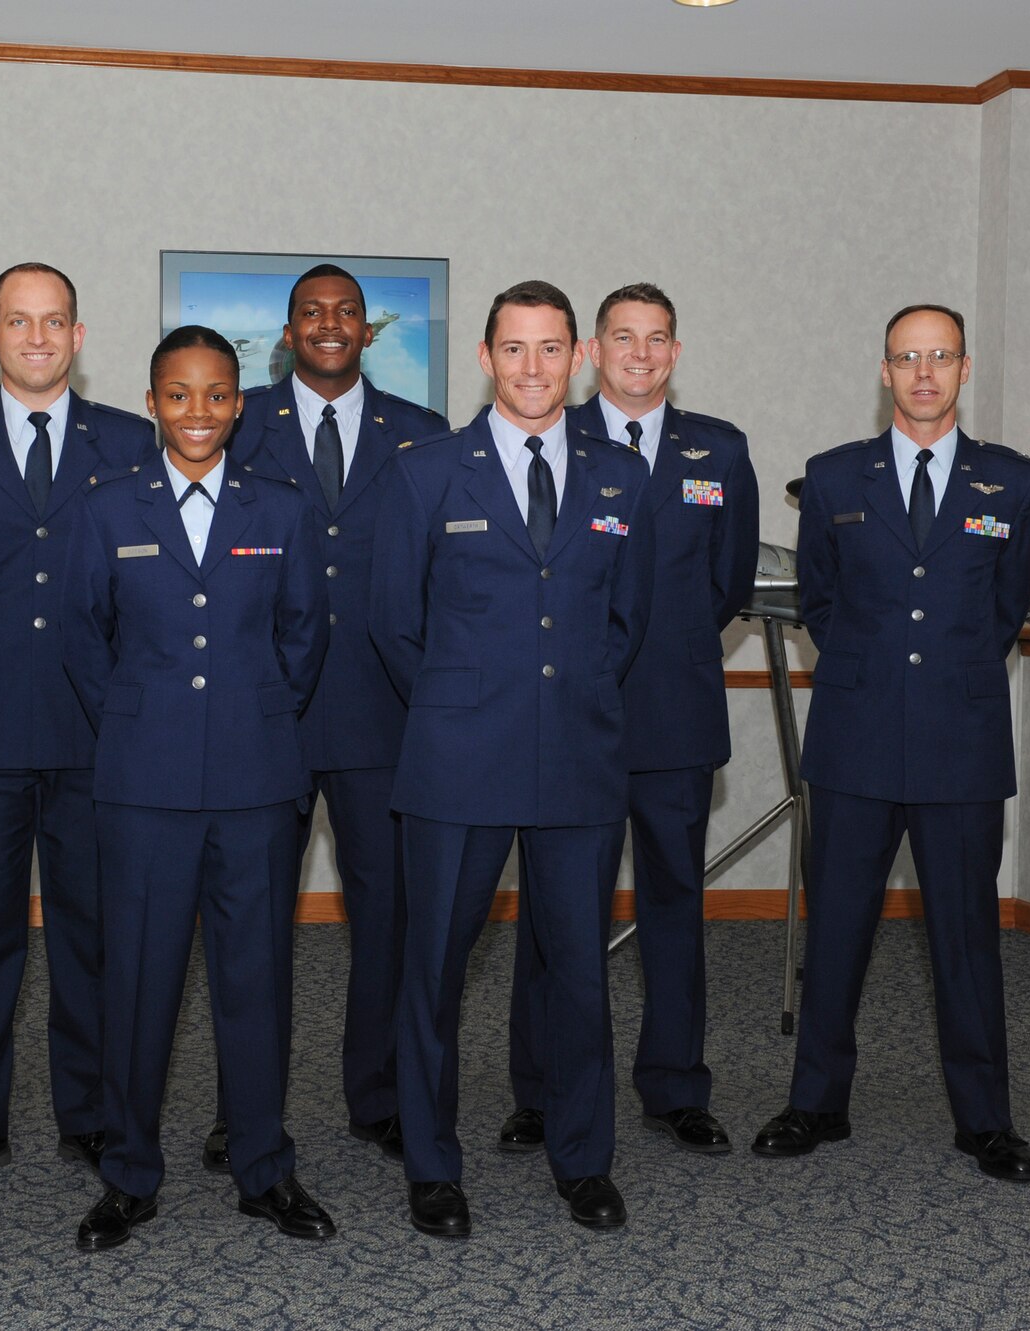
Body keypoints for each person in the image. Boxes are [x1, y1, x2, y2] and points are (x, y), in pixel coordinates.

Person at [369, 280, 648, 1237]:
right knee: (434, 969)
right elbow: (393, 623)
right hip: (456, 760)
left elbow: (627, 620)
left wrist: (563, 695)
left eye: (551, 348)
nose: (534, 368)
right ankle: (432, 1166)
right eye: (515, 349)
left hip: (578, 758)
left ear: (577, 359)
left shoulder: (621, 477)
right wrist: (464, 705)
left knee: (579, 970)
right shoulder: (427, 473)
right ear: (485, 359)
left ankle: (583, 1159)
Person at [752, 303, 1030, 1184]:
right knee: (838, 926)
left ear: (964, 369)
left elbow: (1005, 606)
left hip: (961, 740)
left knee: (965, 937)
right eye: (906, 358)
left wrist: (938, 675)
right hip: (855, 735)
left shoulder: (1014, 481)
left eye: (940, 357)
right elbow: (821, 602)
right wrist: (878, 673)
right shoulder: (836, 477)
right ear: (884, 371)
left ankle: (986, 1120)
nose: (923, 373)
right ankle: (816, 1103)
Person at [60, 325, 333, 1249]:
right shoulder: (105, 509)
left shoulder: (283, 510)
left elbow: (303, 639)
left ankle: (264, 1166)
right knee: (137, 984)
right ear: (151, 404)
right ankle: (129, 1174)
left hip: (257, 784)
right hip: (142, 786)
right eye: (179, 395)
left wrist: (247, 721)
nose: (199, 413)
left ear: (240, 405)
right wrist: (143, 724)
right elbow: (81, 642)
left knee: (255, 980)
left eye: (217, 394)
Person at [0, 264, 152, 1191]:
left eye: (54, 322)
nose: (38, 337)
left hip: (98, 733)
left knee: (93, 933)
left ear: (79, 336)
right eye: (20, 321)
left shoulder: (131, 440)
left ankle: (88, 1114)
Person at [503, 282, 758, 1158]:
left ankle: (675, 1084)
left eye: (657, 338)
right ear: (590, 353)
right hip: (567, 717)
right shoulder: (548, 438)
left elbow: (726, 588)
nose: (640, 353)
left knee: (674, 903)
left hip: (675, 716)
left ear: (675, 353)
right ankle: (540, 1091)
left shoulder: (718, 453)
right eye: (622, 336)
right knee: (553, 910)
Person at [204, 264, 448, 1169]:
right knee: (250, 923)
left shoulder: (422, 437)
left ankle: (378, 1095)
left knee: (387, 915)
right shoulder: (240, 425)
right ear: (289, 329)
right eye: (314, 313)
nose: (332, 325)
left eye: (348, 312)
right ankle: (245, 1109)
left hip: (386, 716)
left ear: (368, 331)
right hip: (264, 712)